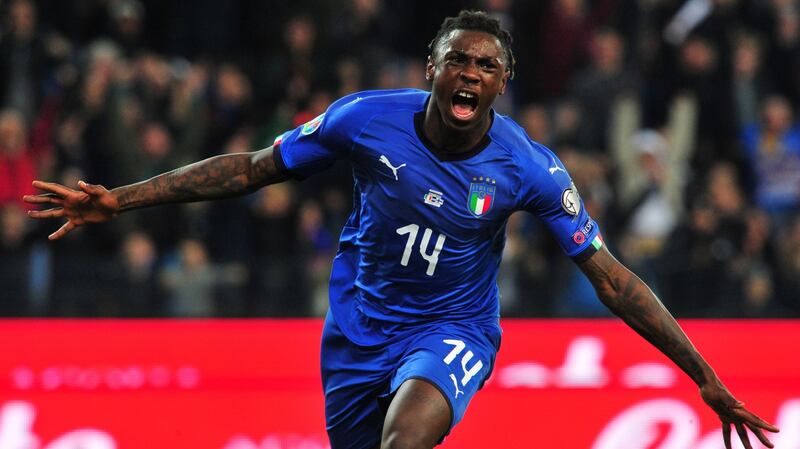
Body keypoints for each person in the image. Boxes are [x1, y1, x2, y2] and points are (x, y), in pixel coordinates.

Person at [24, 10, 778, 449]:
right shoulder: (364, 120)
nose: (471, 75)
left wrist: (704, 374)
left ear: (502, 84)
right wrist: (120, 201)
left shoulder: (530, 168)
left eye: (487, 65)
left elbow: (612, 278)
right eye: (459, 60)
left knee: (406, 438)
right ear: (433, 68)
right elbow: (252, 168)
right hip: (357, 330)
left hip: (453, 328)